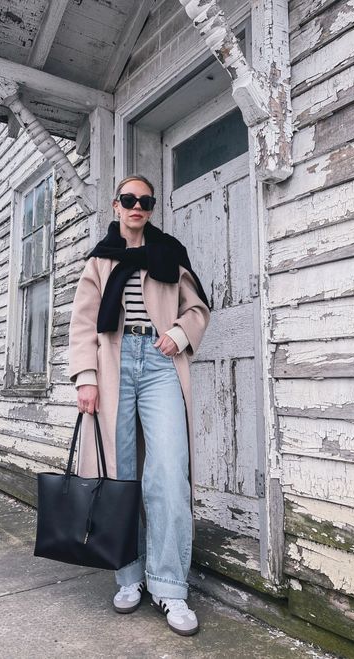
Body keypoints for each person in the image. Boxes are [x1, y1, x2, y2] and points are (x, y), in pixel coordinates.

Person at [69, 174, 210, 636]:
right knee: (120, 473)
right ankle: (128, 576)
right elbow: (83, 324)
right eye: (129, 199)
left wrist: (179, 333)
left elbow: (197, 309)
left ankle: (170, 587)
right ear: (116, 205)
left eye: (144, 200)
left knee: (169, 470)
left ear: (150, 207)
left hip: (158, 360)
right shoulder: (99, 259)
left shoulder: (169, 251)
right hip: (112, 364)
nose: (136, 206)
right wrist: (85, 378)